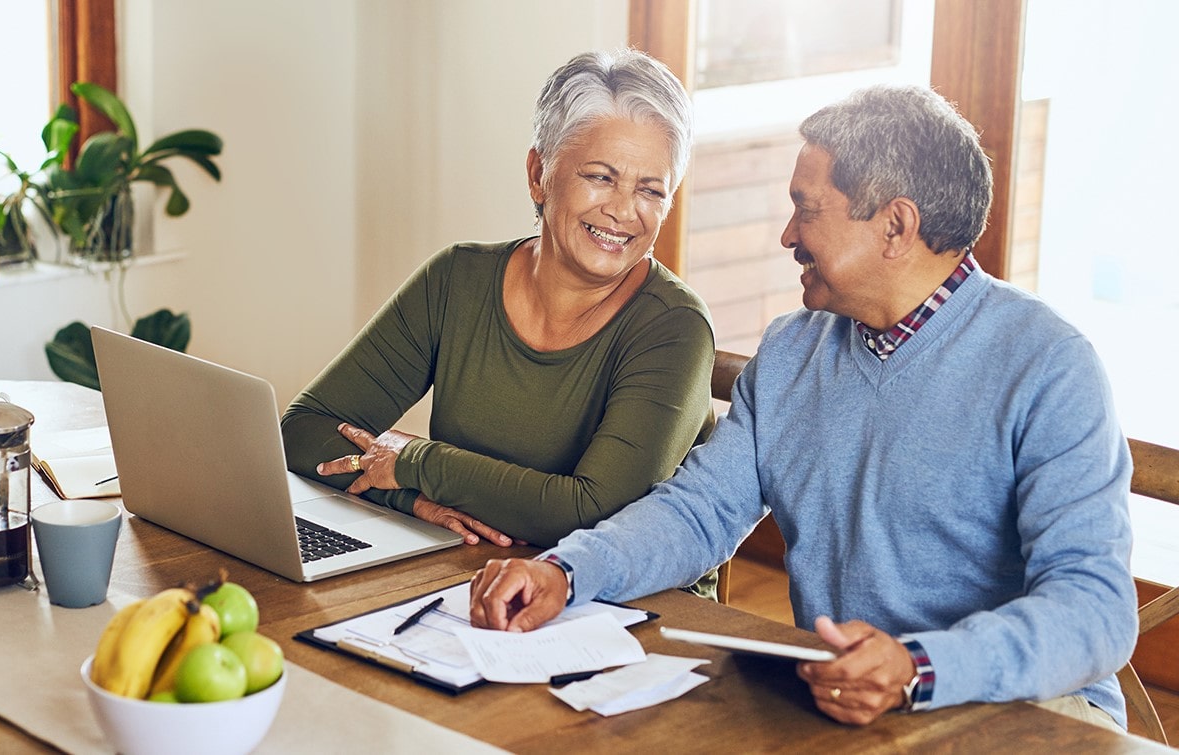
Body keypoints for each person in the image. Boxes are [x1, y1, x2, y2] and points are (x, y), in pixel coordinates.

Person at [468, 84, 1138, 730]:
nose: (787, 233)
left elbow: (1096, 612)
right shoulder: (792, 350)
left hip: (1028, 714)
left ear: (896, 225)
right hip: (847, 707)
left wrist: (916, 668)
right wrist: (566, 569)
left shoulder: (1049, 365)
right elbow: (697, 512)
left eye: (806, 208)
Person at [280, 50, 717, 588]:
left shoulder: (675, 328)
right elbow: (303, 431)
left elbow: (595, 513)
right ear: (539, 174)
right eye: (601, 177)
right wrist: (409, 497)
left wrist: (418, 462)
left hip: (624, 608)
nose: (625, 211)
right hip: (467, 576)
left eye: (651, 189)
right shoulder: (456, 279)